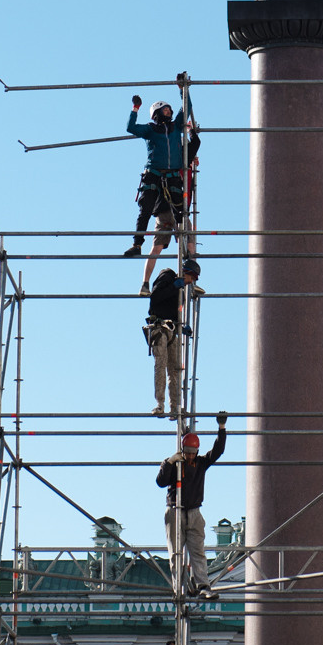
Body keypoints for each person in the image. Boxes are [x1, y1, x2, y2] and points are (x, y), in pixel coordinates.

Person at [124, 95, 200, 275]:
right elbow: (131, 128)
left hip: (172, 176)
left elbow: (186, 108)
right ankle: (137, 244)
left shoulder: (175, 129)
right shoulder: (151, 130)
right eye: (165, 110)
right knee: (146, 209)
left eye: (169, 110)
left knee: (180, 211)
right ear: (157, 113)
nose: (168, 111)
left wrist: (183, 91)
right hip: (154, 174)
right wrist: (135, 109)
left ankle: (185, 249)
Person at [156, 411, 227, 593]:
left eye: (192, 453)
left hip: (194, 512)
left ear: (197, 451)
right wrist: (170, 462)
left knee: (197, 552)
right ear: (182, 450)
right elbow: (160, 482)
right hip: (175, 511)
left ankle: (202, 585)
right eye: (187, 453)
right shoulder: (174, 465)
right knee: (176, 555)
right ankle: (179, 589)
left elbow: (218, 451)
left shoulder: (201, 463)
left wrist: (221, 428)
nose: (189, 456)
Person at [144, 261, 202, 418]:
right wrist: (174, 286)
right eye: (192, 277)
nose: (191, 281)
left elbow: (174, 313)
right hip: (158, 328)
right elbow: (155, 298)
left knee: (175, 369)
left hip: (171, 330)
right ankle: (160, 404)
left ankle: (175, 406)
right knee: (160, 364)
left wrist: (181, 327)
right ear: (186, 272)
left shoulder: (181, 290)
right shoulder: (167, 276)